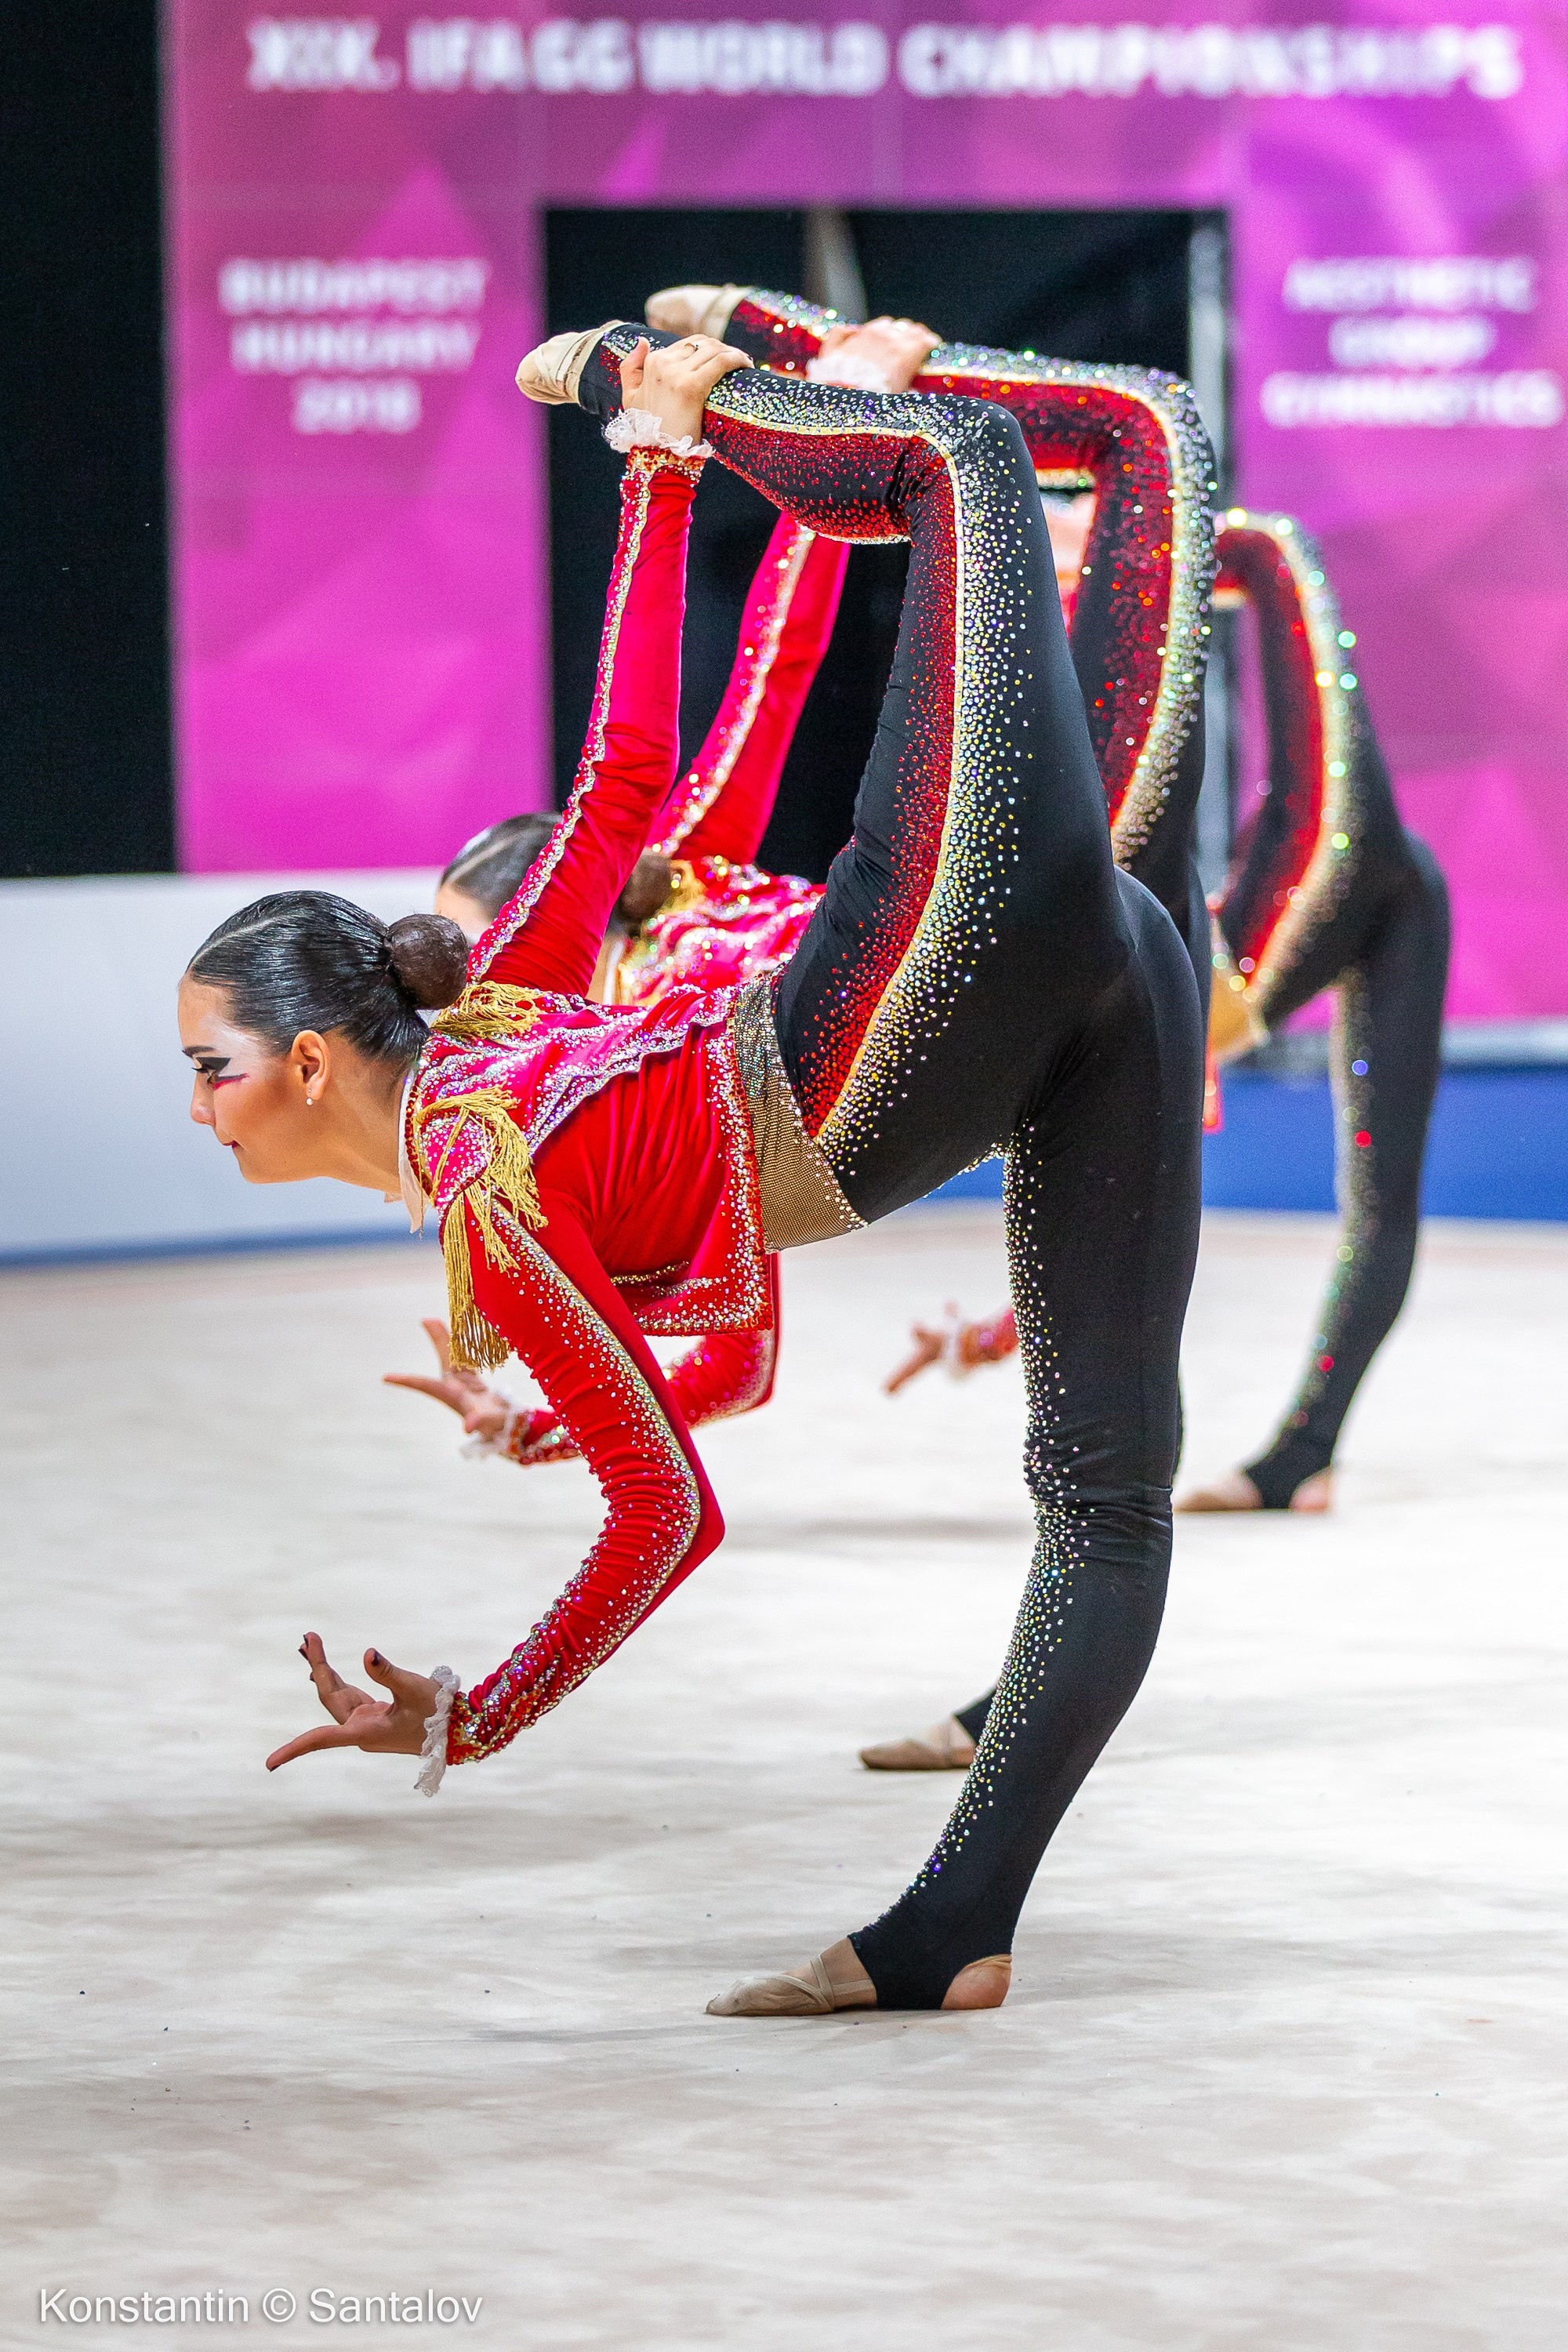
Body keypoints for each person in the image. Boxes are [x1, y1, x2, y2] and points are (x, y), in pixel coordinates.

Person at [180, 324, 1202, 2015]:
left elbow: (624, 783)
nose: (198, 1110)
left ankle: (683, 385)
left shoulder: (495, 1051)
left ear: (307, 1062)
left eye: (209, 1069)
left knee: (982, 464)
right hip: (961, 1019)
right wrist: (484, 1678)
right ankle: (953, 1930)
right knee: (1106, 1496)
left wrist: (656, 472)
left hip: (903, 1001)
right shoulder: (490, 1171)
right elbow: (668, 1485)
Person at [868, 508, 1450, 1768]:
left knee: (1262, 559)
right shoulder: (1141, 976)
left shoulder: (1124, 963)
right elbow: (1109, 1224)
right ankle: (1299, 1458)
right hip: (1327, 896)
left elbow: (1099, 1220)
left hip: (1331, 882)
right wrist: (991, 1335)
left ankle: (1300, 1455)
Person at [387, 320, 938, 1467]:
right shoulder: (629, 1096)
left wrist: (847, 411)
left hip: (979, 922)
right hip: (967, 1038)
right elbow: (739, 1367)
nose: (478, 1008)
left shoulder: (678, 865)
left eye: (486, 956)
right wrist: (540, 1430)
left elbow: (775, 667)